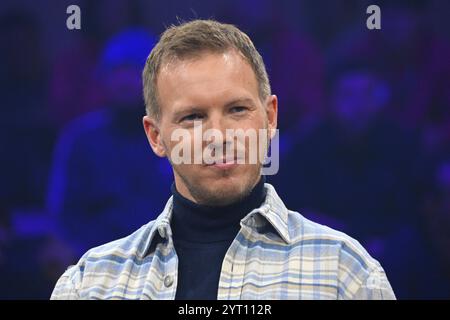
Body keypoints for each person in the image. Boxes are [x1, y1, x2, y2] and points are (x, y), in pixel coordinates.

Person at [51, 19, 395, 300]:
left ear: (271, 117)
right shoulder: (90, 285)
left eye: (237, 109)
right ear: (156, 137)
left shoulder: (345, 272)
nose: (218, 135)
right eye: (193, 117)